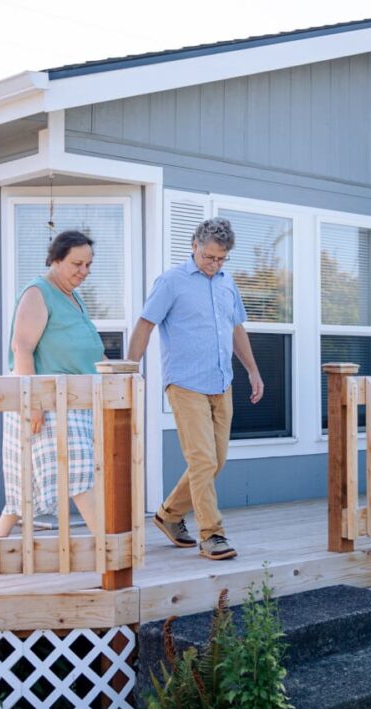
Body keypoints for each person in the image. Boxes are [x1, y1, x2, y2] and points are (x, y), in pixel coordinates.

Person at [127, 217, 263, 560]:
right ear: (194, 246)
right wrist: (128, 370)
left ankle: (169, 515)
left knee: (216, 461)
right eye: (209, 257)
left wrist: (253, 370)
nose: (214, 264)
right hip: (185, 383)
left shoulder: (227, 282)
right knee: (202, 459)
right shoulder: (171, 281)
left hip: (222, 382)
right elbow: (145, 325)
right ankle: (212, 535)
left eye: (221, 258)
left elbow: (236, 329)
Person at [0, 230, 104, 538]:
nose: (84, 271)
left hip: (75, 400)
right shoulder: (38, 292)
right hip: (47, 402)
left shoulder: (73, 296)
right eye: (77, 264)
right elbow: (22, 347)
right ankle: (107, 545)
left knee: (24, 486)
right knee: (79, 471)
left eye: (88, 265)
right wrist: (32, 403)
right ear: (56, 260)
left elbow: (83, 348)